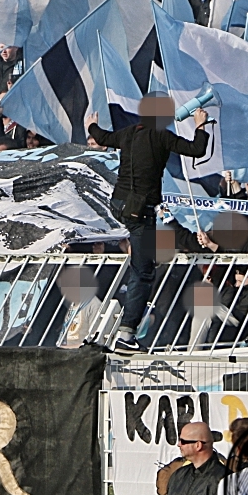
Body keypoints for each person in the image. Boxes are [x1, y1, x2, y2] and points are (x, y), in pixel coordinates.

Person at [87, 96, 210, 351]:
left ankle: (126, 327)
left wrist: (90, 125)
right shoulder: (162, 137)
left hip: (119, 204)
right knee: (143, 273)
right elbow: (197, 150)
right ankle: (127, 335)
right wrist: (201, 125)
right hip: (139, 212)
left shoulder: (129, 133)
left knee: (141, 256)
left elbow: (103, 137)